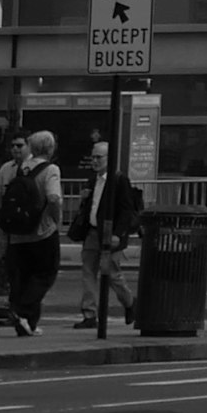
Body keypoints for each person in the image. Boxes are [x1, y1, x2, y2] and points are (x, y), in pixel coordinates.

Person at [0, 131, 64, 337]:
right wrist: (57, 219)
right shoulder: (51, 170)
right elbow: (54, 198)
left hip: (19, 232)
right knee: (46, 274)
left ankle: (28, 322)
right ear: (50, 148)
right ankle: (22, 310)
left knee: (26, 276)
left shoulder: (20, 168)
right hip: (42, 232)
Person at [73, 141, 144, 329]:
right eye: (93, 157)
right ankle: (89, 314)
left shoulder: (119, 180)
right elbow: (91, 205)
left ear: (109, 158)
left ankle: (130, 303)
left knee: (112, 273)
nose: (94, 161)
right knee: (88, 271)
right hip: (92, 231)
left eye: (99, 157)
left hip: (109, 232)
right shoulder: (93, 179)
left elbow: (126, 210)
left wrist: (118, 234)